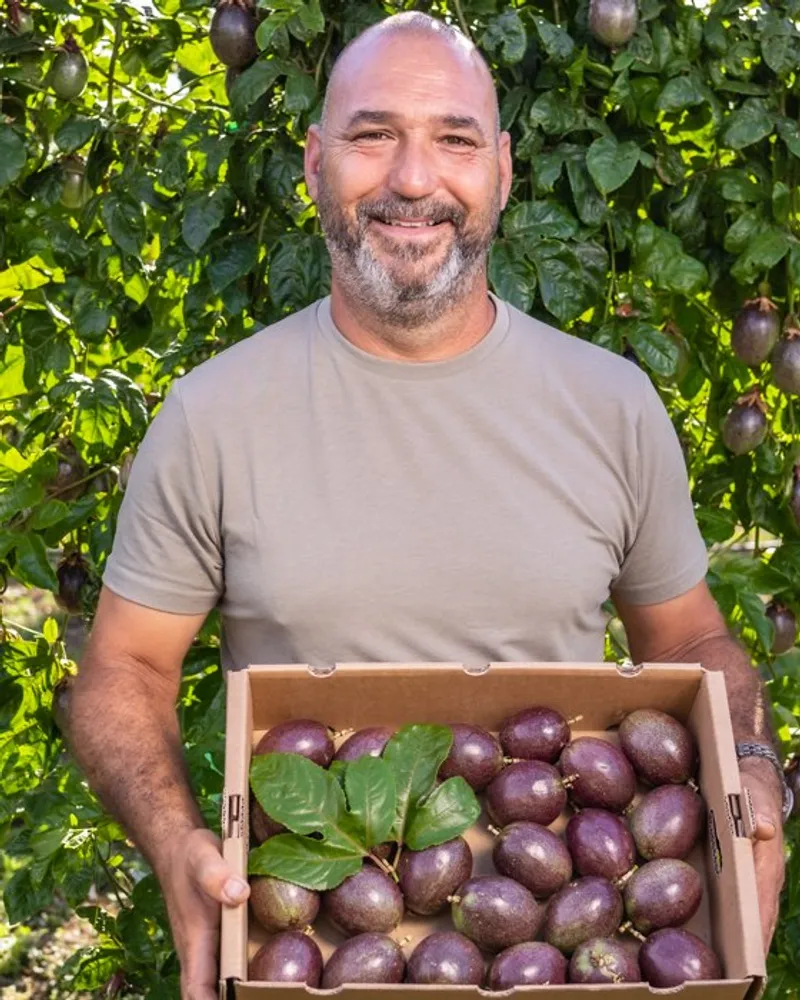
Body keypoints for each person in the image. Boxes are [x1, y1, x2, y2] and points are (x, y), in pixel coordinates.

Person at [65, 12, 788, 1000]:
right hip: (323, 937)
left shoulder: (610, 406)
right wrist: (177, 844)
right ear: (313, 165)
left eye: (451, 139)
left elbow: (696, 642)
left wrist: (749, 771)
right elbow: (122, 671)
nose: (412, 179)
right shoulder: (212, 416)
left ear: (498, 169)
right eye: (372, 136)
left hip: (551, 950)